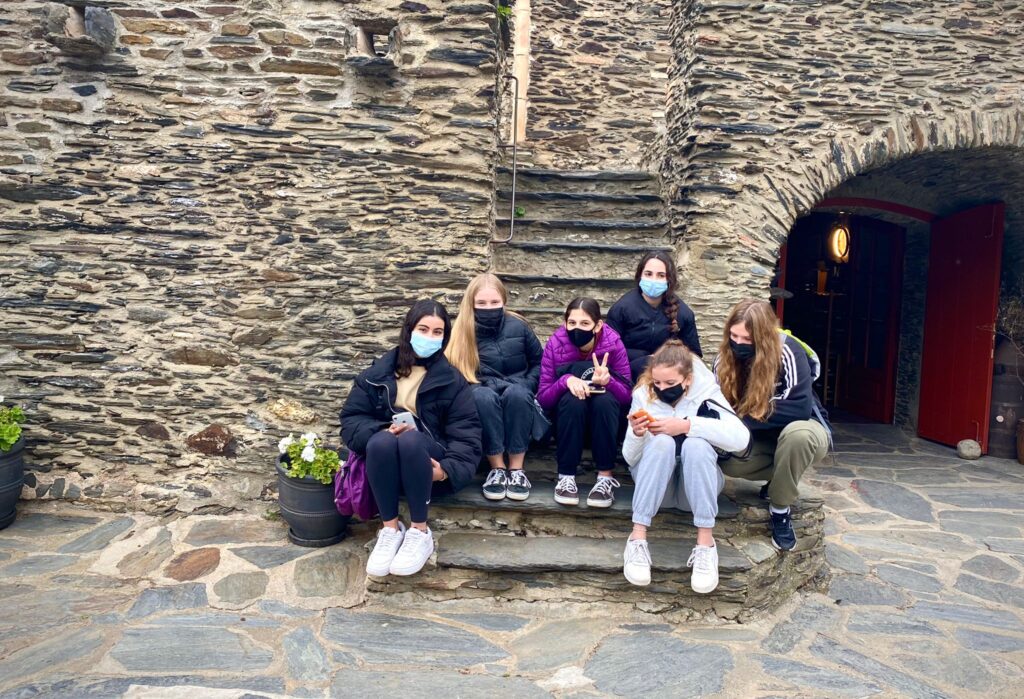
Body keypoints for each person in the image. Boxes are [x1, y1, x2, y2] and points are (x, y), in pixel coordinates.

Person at [340, 300, 482, 577]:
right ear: (409, 330)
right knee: (382, 440)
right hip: (384, 462)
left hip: (426, 464)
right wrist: (382, 430)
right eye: (423, 329)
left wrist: (446, 471)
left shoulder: (452, 381)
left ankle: (419, 530)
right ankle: (390, 529)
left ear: (445, 337)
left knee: (411, 439)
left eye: (437, 332)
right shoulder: (376, 374)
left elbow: (467, 436)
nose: (430, 337)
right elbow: (351, 420)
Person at [621, 340, 749, 592]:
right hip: (659, 490)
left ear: (687, 379)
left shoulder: (707, 394)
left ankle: (705, 544)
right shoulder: (643, 395)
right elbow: (629, 458)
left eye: (670, 383)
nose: (662, 389)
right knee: (662, 443)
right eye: (657, 383)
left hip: (697, 490)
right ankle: (637, 538)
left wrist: (689, 425)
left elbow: (741, 439)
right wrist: (637, 434)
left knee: (696, 445)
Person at [713, 298, 832, 551]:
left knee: (797, 436)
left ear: (763, 336)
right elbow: (717, 407)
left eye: (747, 339)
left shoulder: (788, 350)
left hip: (805, 428)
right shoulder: (723, 359)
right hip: (761, 438)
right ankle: (779, 478)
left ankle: (780, 508)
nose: (738, 343)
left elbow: (797, 407)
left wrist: (740, 420)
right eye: (734, 336)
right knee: (727, 461)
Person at [446, 273, 544, 501]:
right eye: (481, 303)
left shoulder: (519, 326)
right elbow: (457, 375)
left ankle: (517, 469)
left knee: (518, 394)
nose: (488, 308)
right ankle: (497, 468)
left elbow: (540, 363)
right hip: (482, 389)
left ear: (504, 301)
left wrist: (527, 383)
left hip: (518, 388)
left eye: (494, 302)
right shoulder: (461, 332)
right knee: (482, 397)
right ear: (471, 303)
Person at [537, 297, 631, 508]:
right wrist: (565, 381)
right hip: (568, 419)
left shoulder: (613, 343)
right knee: (573, 400)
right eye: (572, 323)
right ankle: (566, 477)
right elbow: (543, 399)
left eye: (585, 323)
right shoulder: (556, 344)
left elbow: (627, 396)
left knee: (604, 400)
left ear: (598, 325)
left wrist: (609, 381)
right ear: (565, 323)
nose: (577, 328)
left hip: (604, 419)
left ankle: (605, 477)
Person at [606, 251, 703, 382]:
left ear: (669, 279)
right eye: (648, 274)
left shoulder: (684, 314)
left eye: (661, 275)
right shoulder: (621, 309)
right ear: (640, 275)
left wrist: (664, 359)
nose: (653, 280)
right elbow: (608, 350)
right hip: (628, 376)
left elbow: (694, 355)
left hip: (668, 379)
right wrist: (644, 358)